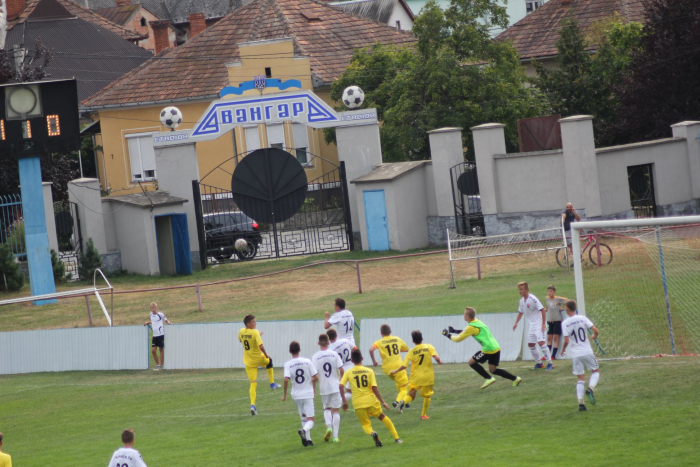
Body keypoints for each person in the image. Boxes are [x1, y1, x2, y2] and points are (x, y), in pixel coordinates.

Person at [442, 307, 521, 389]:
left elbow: (457, 339)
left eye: (464, 313)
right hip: (496, 347)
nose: (463, 315)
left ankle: (488, 378)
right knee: (493, 370)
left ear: (467, 316)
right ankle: (516, 379)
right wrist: (454, 331)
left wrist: (447, 334)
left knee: (471, 362)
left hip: (488, 349)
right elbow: (468, 332)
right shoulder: (477, 322)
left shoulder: (471, 327)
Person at [340, 349, 402, 447]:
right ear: (362, 358)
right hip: (370, 400)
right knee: (382, 416)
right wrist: (383, 402)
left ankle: (372, 433)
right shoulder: (369, 371)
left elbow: (340, 386)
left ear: (351, 360)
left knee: (365, 424)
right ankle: (397, 438)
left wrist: (344, 401)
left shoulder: (348, 372)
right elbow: (374, 387)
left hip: (358, 403)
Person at [560, 300, 600, 412]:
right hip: (586, 351)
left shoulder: (565, 323)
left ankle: (581, 404)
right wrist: (594, 335)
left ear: (567, 310)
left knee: (580, 378)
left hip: (575, 354)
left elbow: (567, 340)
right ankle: (590, 389)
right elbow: (596, 330)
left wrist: (563, 349)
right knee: (595, 371)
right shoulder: (582, 318)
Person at [392, 331, 442, 420]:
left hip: (416, 377)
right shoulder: (429, 347)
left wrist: (396, 370)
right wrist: (439, 361)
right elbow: (436, 358)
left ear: (413, 341)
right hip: (428, 377)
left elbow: (404, 365)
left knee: (412, 394)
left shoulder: (412, 351)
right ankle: (423, 415)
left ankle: (402, 403)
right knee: (427, 396)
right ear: (422, 339)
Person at [238, 314, 281, 416]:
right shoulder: (255, 332)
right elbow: (261, 346)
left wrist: (255, 337)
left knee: (253, 383)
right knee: (269, 361)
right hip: (258, 358)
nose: (255, 323)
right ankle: (272, 384)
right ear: (248, 324)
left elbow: (241, 340)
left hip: (248, 361)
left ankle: (253, 405)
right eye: (253, 322)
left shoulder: (241, 331)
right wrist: (266, 355)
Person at [282, 341, 319, 447]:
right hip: (307, 393)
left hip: (296, 394)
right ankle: (304, 431)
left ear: (290, 351)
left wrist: (284, 395)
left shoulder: (288, 364)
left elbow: (285, 380)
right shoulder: (307, 361)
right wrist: (309, 380)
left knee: (303, 417)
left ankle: (309, 440)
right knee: (311, 420)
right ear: (299, 350)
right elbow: (316, 377)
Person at [513, 282, 554, 370]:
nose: (519, 291)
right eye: (519, 289)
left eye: (521, 289)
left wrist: (543, 324)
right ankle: (539, 363)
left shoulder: (533, 299)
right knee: (531, 344)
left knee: (541, 343)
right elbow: (521, 312)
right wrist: (516, 323)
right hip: (532, 324)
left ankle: (550, 363)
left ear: (527, 290)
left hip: (539, 323)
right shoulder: (521, 301)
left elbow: (542, 310)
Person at [311, 333, 344, 443]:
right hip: (335, 385)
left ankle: (329, 426)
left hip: (324, 387)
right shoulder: (334, 354)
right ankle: (335, 436)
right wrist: (341, 380)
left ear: (318, 343)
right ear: (329, 343)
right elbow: (342, 369)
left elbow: (314, 376)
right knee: (336, 411)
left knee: (327, 409)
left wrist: (314, 388)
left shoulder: (315, 357)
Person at [369, 324, 409, 408]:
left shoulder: (379, 342)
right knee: (405, 388)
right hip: (398, 368)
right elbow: (406, 349)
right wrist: (397, 351)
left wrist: (374, 361)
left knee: (398, 382)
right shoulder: (397, 339)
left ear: (381, 333)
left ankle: (404, 400)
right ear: (390, 332)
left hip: (387, 369)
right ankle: (397, 402)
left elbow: (371, 349)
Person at [143, 302, 171, 370]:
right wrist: (148, 322)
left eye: (155, 308)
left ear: (156, 308)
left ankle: (161, 365)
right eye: (152, 308)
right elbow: (153, 321)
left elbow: (166, 320)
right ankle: (158, 365)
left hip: (161, 334)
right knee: (153, 351)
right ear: (151, 309)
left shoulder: (160, 314)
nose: (154, 309)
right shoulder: (151, 315)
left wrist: (170, 324)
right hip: (155, 335)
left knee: (161, 349)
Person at [327, 329, 354, 394]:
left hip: (342, 369)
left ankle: (338, 402)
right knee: (351, 391)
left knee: (347, 391)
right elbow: (355, 349)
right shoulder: (345, 341)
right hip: (352, 366)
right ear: (336, 335)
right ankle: (339, 402)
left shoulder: (330, 349)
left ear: (328, 338)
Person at [545, 285, 567, 360]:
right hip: (549, 320)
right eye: (548, 291)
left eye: (551, 291)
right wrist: (546, 309)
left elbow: (567, 301)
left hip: (557, 320)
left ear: (554, 292)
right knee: (549, 338)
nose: (549, 293)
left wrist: (563, 308)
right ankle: (547, 355)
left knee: (556, 338)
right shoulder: (547, 299)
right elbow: (547, 306)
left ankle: (553, 355)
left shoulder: (558, 299)